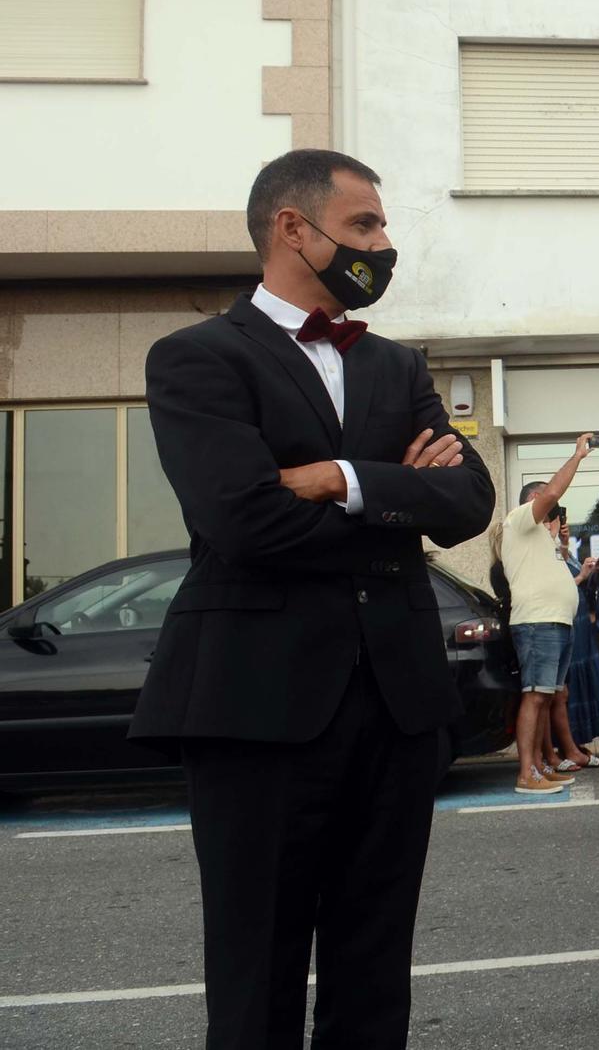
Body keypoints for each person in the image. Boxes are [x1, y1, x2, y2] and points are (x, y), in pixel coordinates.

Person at [130, 148, 495, 1049]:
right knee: (256, 975)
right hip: (257, 706)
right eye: (365, 225)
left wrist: (336, 478)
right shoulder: (196, 358)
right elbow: (245, 519)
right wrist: (393, 496)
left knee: (375, 973)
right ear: (294, 228)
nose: (382, 244)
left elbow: (468, 502)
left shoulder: (398, 367)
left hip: (399, 703)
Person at [493, 435, 599, 795]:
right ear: (532, 501)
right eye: (546, 505)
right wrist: (578, 456)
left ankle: (540, 766)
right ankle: (527, 773)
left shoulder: (544, 538)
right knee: (536, 695)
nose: (553, 512)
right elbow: (552, 493)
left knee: (547, 694)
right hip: (538, 621)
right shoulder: (519, 520)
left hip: (555, 621)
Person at [563, 517, 599, 755]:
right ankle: (567, 745)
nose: (562, 528)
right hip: (569, 629)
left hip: (582, 629)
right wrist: (583, 576)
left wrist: (595, 571)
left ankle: (577, 743)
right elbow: (563, 588)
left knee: (579, 685)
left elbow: (583, 586)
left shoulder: (565, 555)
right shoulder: (546, 557)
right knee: (569, 688)